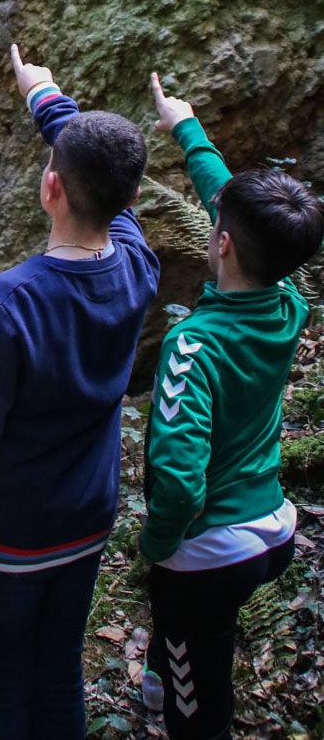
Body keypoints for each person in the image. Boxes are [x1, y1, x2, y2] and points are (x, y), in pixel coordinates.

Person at [0, 44, 159, 740]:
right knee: (58, 674)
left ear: (49, 188)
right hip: (85, 524)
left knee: (1, 683)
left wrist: (40, 94)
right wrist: (46, 98)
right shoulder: (138, 267)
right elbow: (109, 182)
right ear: (131, 199)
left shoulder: (5, 304)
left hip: (11, 541)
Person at [139, 72, 323, 740]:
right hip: (271, 525)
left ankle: (181, 701)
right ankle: (160, 674)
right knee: (187, 645)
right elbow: (232, 202)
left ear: (219, 242)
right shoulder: (287, 305)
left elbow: (183, 480)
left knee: (201, 708)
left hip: (208, 553)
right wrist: (184, 125)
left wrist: (152, 548)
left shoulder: (194, 346)